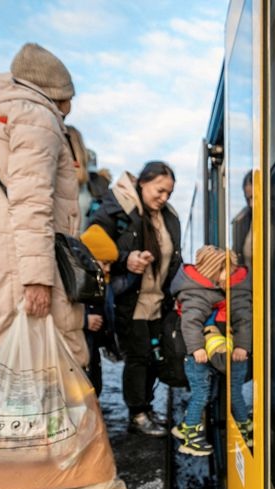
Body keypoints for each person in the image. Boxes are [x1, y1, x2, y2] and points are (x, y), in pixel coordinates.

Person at [0, 43, 88, 372]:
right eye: (69, 97)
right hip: (23, 256)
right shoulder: (34, 115)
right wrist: (37, 278)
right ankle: (47, 426)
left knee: (0, 358)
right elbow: (32, 199)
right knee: (46, 366)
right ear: (58, 92)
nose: (69, 108)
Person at [91, 161, 182, 436]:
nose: (164, 198)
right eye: (160, 190)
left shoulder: (168, 216)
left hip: (158, 300)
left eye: (169, 193)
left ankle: (147, 408)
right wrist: (124, 259)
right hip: (129, 299)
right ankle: (137, 415)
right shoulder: (118, 207)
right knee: (138, 357)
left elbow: (174, 257)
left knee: (155, 357)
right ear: (143, 183)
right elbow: (91, 244)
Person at [170, 246, 252, 455]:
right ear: (213, 270)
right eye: (227, 270)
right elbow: (190, 322)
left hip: (201, 353)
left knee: (202, 392)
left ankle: (186, 427)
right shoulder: (198, 293)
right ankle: (191, 436)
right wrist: (197, 348)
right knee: (201, 394)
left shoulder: (204, 287)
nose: (231, 275)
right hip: (196, 355)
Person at [79, 223, 121, 396]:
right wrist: (84, 320)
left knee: (95, 384)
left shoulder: (104, 281)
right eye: (105, 262)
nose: (108, 268)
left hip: (93, 345)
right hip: (82, 345)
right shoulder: (79, 282)